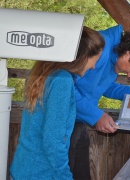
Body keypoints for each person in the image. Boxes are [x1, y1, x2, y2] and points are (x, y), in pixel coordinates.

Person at [9, 26, 105, 180]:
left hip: (22, 168)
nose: (94, 66)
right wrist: (65, 177)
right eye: (94, 61)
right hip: (42, 174)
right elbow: (53, 141)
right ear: (81, 56)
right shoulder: (62, 80)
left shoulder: (41, 73)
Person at [69, 24, 130, 179]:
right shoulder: (98, 49)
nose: (129, 75)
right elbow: (65, 88)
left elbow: (104, 86)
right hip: (61, 119)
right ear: (128, 54)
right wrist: (97, 116)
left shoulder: (114, 57)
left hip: (78, 119)